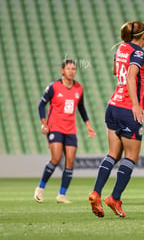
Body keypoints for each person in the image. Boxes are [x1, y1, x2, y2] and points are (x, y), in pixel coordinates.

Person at [88, 21, 144, 218]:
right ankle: (114, 198)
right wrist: (136, 105)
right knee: (131, 157)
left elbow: (116, 71)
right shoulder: (138, 52)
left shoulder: (122, 48)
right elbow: (129, 77)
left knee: (113, 153)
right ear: (143, 36)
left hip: (112, 105)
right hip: (128, 109)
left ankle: (96, 192)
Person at [34, 59, 96, 204]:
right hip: (55, 127)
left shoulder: (79, 88)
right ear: (62, 70)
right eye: (68, 69)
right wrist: (44, 123)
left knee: (70, 162)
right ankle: (40, 188)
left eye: (74, 69)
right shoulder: (53, 87)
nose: (71, 71)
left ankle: (61, 195)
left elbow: (81, 107)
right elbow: (41, 105)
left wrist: (88, 124)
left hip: (71, 129)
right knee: (55, 158)